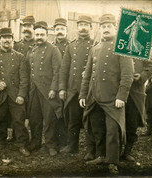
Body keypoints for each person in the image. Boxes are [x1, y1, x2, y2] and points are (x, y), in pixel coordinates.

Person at [79, 14, 134, 174]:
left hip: (112, 98)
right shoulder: (94, 49)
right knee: (97, 128)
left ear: (115, 28)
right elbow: (87, 75)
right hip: (94, 97)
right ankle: (101, 155)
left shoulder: (123, 47)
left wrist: (121, 97)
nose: (106, 29)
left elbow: (127, 75)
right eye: (103, 27)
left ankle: (112, 161)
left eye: (109, 26)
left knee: (112, 130)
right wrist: (83, 95)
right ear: (99, 29)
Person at [0, 27, 30, 156]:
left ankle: (21, 144)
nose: (6, 40)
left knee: (19, 119)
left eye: (9, 38)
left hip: (15, 94)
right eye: (4, 37)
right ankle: (1, 143)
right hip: (0, 94)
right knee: (0, 118)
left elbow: (24, 78)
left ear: (12, 40)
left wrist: (21, 95)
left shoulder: (20, 57)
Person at [26, 21, 62, 156]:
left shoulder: (54, 50)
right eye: (37, 34)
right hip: (34, 90)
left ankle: (51, 144)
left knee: (49, 119)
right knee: (34, 118)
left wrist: (53, 89)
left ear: (47, 35)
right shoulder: (32, 50)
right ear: (34, 35)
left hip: (48, 90)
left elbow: (57, 70)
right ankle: (35, 142)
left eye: (42, 34)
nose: (39, 37)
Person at [59, 15, 94, 154]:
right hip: (74, 90)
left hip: (90, 91)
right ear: (77, 27)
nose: (83, 28)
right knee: (73, 120)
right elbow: (64, 69)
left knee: (90, 121)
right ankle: (72, 146)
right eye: (81, 25)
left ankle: (91, 150)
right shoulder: (71, 46)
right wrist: (62, 87)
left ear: (91, 28)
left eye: (86, 25)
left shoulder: (95, 45)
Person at [123, 57, 152, 161]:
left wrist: (142, 76)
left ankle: (127, 151)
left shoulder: (142, 42)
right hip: (117, 89)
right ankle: (114, 151)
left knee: (132, 122)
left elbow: (151, 65)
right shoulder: (116, 41)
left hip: (135, 91)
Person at [52, 17, 70, 149]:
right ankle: (54, 140)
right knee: (54, 112)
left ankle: (65, 141)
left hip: (67, 83)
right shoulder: (50, 47)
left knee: (65, 112)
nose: (60, 31)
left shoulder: (70, 46)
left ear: (66, 31)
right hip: (53, 83)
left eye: (62, 29)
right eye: (57, 29)